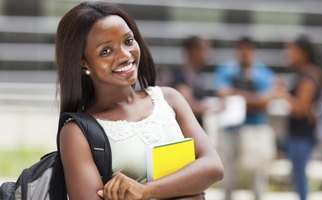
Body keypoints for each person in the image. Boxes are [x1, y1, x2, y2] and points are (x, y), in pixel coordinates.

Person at [56, 2, 223, 200]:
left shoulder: (169, 99)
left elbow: (213, 167)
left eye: (128, 41)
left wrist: (145, 191)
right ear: (84, 64)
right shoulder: (77, 132)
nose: (125, 55)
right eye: (106, 51)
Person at [215, 37, 277, 200]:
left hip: (255, 129)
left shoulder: (263, 73)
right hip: (231, 129)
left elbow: (265, 100)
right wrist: (253, 99)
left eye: (248, 50)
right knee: (228, 176)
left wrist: (237, 96)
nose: (245, 54)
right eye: (242, 49)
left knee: (257, 176)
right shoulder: (226, 69)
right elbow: (223, 93)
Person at [280, 35, 322, 200]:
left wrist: (281, 94)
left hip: (301, 135)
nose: (288, 53)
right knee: (297, 178)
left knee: (300, 180)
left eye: (292, 50)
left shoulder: (308, 75)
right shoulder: (305, 73)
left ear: (303, 52)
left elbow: (301, 108)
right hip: (299, 135)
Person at [163, 36, 211, 126]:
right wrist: (212, 109)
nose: (208, 53)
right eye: (204, 49)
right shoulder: (180, 75)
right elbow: (187, 105)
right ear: (192, 51)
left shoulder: (197, 74)